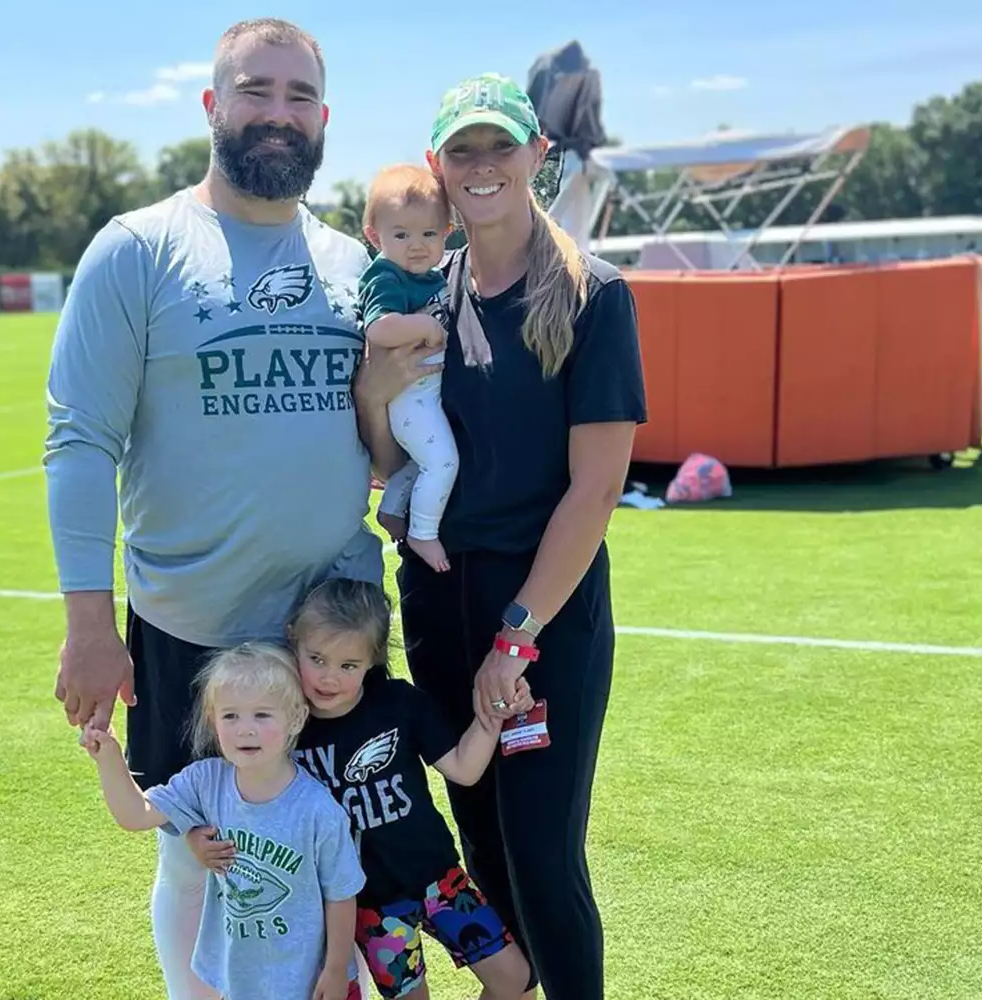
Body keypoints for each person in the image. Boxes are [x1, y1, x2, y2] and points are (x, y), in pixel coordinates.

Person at [42, 17, 434, 1000]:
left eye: (299, 97)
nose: (278, 113)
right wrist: (89, 623)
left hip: (330, 634)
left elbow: (379, 450)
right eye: (256, 91)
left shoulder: (355, 267)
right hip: (196, 632)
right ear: (213, 106)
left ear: (324, 119)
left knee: (329, 852)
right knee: (203, 855)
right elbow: (79, 439)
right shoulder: (138, 250)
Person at [364, 73, 648, 999]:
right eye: (462, 151)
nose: (482, 166)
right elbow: (383, 459)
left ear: (538, 155)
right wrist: (374, 384)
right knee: (479, 838)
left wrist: (516, 637)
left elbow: (597, 490)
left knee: (539, 849)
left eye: (500, 147)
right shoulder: (422, 296)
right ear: (439, 171)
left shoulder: (592, 295)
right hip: (441, 601)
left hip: (542, 616)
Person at [190, 578, 534, 999]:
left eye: (348, 666)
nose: (329, 677)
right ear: (292, 640)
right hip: (371, 905)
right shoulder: (285, 724)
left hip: (439, 879)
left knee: (515, 981)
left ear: (371, 661)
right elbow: (234, 789)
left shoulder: (399, 704)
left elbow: (464, 769)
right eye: (316, 658)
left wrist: (494, 715)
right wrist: (194, 836)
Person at [79, 642, 367, 1000]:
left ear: (295, 718)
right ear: (213, 720)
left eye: (262, 715)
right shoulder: (205, 781)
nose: (245, 729)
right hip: (240, 976)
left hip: (305, 979)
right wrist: (108, 759)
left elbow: (341, 893)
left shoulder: (318, 810)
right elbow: (136, 815)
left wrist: (337, 966)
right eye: (231, 716)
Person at [358, 165, 456, 573]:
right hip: (409, 396)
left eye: (428, 234)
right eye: (401, 235)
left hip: (424, 393)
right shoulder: (386, 275)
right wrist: (426, 325)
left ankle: (393, 509)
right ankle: (423, 532)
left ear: (447, 233)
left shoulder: (431, 275)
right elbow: (379, 328)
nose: (416, 245)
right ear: (374, 235)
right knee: (443, 462)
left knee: (419, 462)